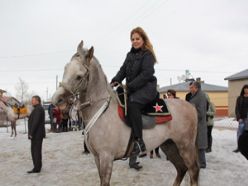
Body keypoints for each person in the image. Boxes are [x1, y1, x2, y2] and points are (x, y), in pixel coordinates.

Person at [111, 27, 157, 169]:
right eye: (133, 39)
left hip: (147, 88)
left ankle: (139, 141)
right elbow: (122, 71)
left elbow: (147, 74)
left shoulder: (147, 55)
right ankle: (130, 149)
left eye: (137, 38)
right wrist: (113, 82)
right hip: (133, 88)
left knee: (132, 104)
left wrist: (129, 86)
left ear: (143, 39)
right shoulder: (129, 55)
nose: (135, 41)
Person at [186, 81, 208, 168]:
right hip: (194, 123)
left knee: (200, 144)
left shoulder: (201, 96)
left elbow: (201, 112)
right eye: (190, 88)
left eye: (191, 88)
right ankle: (197, 162)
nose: (190, 89)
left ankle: (202, 163)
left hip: (199, 124)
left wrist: (192, 116)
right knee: (195, 144)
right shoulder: (194, 95)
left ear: (196, 88)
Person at [27, 95, 45, 173]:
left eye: (33, 100)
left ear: (37, 101)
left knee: (35, 151)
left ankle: (37, 168)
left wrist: (31, 133)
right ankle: (37, 166)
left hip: (36, 134)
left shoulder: (38, 109)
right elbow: (34, 119)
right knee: (36, 150)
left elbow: (36, 122)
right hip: (37, 134)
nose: (32, 101)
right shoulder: (38, 108)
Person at [233, 84, 248, 152]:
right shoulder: (239, 98)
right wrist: (239, 118)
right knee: (240, 133)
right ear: (243, 90)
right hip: (242, 119)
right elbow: (237, 109)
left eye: (247, 88)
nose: (246, 90)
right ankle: (239, 147)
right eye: (245, 88)